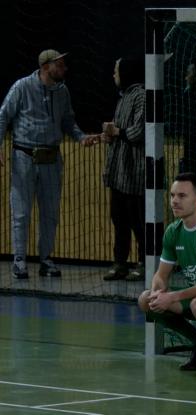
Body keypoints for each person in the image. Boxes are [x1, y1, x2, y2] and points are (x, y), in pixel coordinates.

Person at [0, 49, 98, 279]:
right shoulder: (22, 87)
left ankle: (46, 259)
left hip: (52, 159)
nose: (65, 69)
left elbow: (68, 121)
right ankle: (19, 261)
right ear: (45, 67)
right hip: (24, 157)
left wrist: (81, 137)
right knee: (21, 212)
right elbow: (3, 115)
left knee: (50, 213)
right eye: (59, 65)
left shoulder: (63, 91)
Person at [138, 172, 196, 370]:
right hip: (194, 296)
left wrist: (173, 296)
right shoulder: (173, 231)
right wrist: (158, 291)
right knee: (146, 300)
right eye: (172, 195)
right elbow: (161, 275)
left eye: (182, 196)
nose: (174, 201)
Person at [98, 57, 146, 281]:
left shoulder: (142, 95)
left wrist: (116, 131)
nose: (114, 75)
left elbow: (139, 131)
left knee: (138, 220)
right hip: (119, 171)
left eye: (116, 71)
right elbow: (121, 130)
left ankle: (145, 263)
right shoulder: (124, 96)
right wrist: (108, 134)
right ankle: (120, 263)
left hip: (135, 171)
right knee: (119, 219)